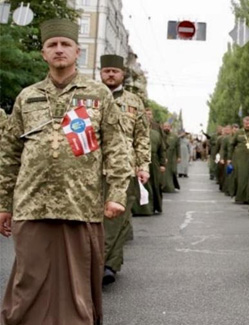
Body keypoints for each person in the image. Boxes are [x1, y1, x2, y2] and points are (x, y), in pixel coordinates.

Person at [0, 19, 131, 324]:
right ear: (44, 53)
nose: (59, 50)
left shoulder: (98, 95)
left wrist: (116, 195)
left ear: (77, 51)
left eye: (65, 45)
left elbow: (116, 147)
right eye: (52, 45)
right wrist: (4, 204)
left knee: (77, 282)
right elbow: (8, 155)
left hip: (81, 204)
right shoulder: (27, 97)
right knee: (28, 278)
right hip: (32, 204)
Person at [99, 54, 151, 285]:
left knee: (118, 218)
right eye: (106, 71)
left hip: (126, 168)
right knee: (95, 217)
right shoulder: (88, 96)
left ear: (122, 75)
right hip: (93, 167)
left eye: (115, 71)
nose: (110, 74)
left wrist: (143, 166)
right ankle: (96, 262)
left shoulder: (134, 101)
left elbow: (142, 136)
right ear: (101, 73)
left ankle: (110, 264)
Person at [133, 108, 166, 216]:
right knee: (141, 184)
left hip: (154, 160)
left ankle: (155, 206)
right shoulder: (136, 130)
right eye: (145, 114)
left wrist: (162, 163)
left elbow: (162, 148)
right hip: (139, 160)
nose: (147, 116)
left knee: (155, 184)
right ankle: (142, 209)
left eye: (149, 114)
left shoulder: (156, 132)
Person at [228, 116, 249, 204]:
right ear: (243, 123)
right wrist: (230, 158)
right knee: (241, 177)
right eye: (246, 123)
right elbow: (231, 144)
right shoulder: (239, 133)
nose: (248, 125)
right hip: (240, 159)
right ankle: (240, 197)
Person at [161, 123, 180, 192]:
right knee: (163, 172)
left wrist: (179, 157)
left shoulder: (175, 136)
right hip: (163, 155)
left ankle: (172, 185)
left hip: (172, 156)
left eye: (168, 126)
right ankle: (164, 187)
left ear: (170, 127)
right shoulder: (161, 135)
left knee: (173, 171)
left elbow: (178, 147)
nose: (166, 128)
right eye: (165, 126)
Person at [217, 125, 232, 190]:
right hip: (224, 157)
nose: (227, 131)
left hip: (231, 157)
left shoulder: (233, 137)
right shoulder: (221, 138)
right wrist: (220, 157)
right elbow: (220, 149)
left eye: (228, 129)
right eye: (226, 130)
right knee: (223, 173)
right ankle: (222, 185)